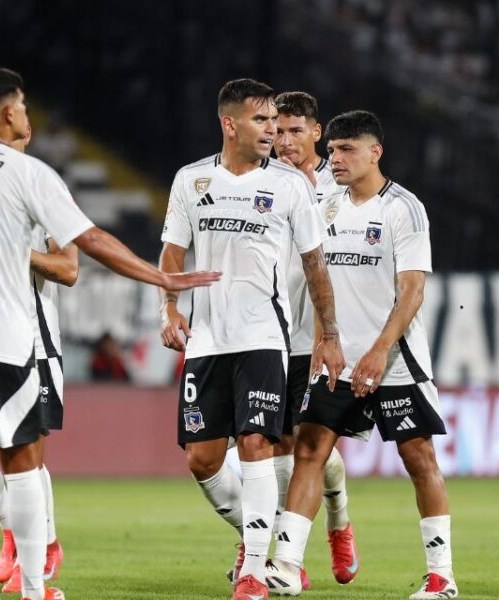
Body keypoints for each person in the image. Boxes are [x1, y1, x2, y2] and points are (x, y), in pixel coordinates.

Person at [0, 67, 220, 600]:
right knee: (23, 463)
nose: (26, 113)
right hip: (1, 337)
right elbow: (90, 240)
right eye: (23, 105)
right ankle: (33, 588)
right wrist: (159, 276)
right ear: (8, 112)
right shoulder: (28, 173)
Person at [159, 78, 344, 600]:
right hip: (206, 339)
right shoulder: (191, 180)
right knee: (201, 458)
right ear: (229, 124)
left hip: (264, 336)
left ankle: (255, 571)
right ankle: (257, 534)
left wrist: (329, 334)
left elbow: (315, 265)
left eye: (275, 122)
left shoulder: (289, 185)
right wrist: (167, 307)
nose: (271, 131)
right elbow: (173, 250)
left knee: (256, 442)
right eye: (261, 120)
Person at [266, 110, 457, 600]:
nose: (335, 158)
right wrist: (324, 340)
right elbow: (318, 281)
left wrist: (379, 350)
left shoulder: (403, 209)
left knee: (418, 458)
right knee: (310, 450)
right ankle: (286, 565)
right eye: (331, 150)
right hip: (339, 360)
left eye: (346, 149)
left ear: (375, 153)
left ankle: (441, 576)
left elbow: (412, 292)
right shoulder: (326, 205)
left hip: (395, 360)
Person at [0, 127, 73, 593]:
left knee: (25, 457)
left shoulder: (44, 188)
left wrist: (17, 252)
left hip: (33, 345)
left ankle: (39, 556)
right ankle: (18, 530)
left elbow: (68, 268)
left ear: (23, 133)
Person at [271, 91, 358, 587]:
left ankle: (337, 523)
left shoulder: (337, 185)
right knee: (281, 443)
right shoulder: (262, 180)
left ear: (316, 133)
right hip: (271, 333)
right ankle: (284, 552)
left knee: (310, 441)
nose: (285, 141)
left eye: (295, 131)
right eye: (279, 131)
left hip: (317, 335)